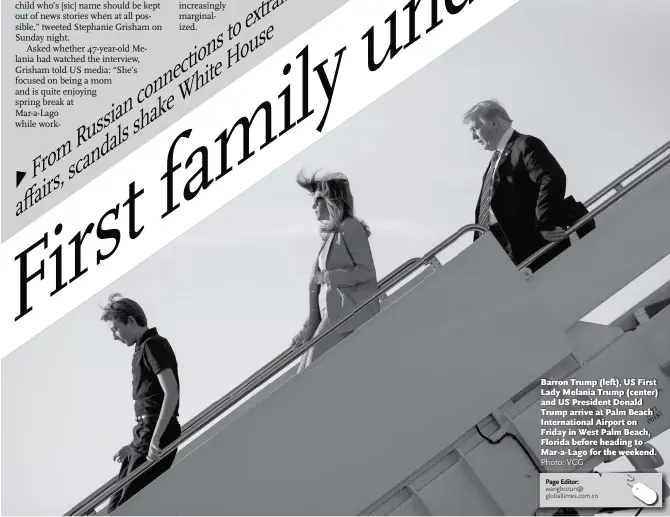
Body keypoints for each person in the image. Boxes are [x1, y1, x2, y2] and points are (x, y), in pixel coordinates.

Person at [463, 99, 570, 270]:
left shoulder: (524, 145)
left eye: (475, 129)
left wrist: (545, 223)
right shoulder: (494, 161)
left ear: (494, 122)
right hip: (498, 250)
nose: (473, 137)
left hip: (526, 250)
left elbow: (551, 178)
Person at [290, 171, 380, 373]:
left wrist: (330, 276)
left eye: (318, 200)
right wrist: (305, 330)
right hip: (330, 314)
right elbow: (320, 294)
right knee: (302, 375)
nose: (313, 206)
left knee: (310, 374)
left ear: (332, 199)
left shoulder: (351, 227)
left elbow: (366, 272)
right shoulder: (331, 237)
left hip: (346, 313)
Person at [101, 294, 182, 513]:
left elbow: (171, 393)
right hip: (144, 432)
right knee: (115, 507)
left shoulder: (153, 345)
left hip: (156, 431)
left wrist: (155, 440)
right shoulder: (141, 350)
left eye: (115, 329)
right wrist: (133, 444)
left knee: (128, 507)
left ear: (131, 321)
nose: (115, 337)